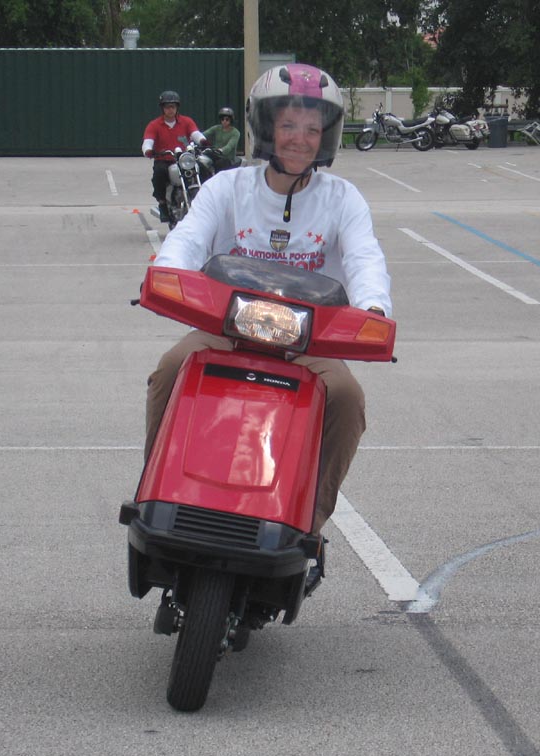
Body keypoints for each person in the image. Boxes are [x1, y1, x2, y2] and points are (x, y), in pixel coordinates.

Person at [143, 63, 393, 591]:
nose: (300, 138)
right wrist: (168, 269)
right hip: (227, 326)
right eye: (288, 125)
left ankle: (308, 527)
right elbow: (190, 236)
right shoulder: (228, 187)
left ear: (327, 135)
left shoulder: (342, 198)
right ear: (266, 128)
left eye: (312, 128)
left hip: (308, 338)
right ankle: (156, 498)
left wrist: (373, 307)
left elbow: (364, 256)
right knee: (169, 369)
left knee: (347, 397)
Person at [141, 90, 208, 222]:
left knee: (203, 168)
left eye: (173, 106)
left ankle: (206, 200)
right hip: (164, 159)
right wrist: (148, 150)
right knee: (159, 173)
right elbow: (148, 141)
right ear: (162, 108)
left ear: (177, 107)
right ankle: (162, 204)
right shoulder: (154, 125)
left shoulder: (186, 121)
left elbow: (195, 133)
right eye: (167, 107)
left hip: (184, 159)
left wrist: (203, 141)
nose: (170, 110)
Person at [201, 107, 242, 171]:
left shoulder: (235, 133)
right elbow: (205, 133)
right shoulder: (216, 128)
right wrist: (196, 136)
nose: (224, 121)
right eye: (222, 119)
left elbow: (230, 146)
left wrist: (222, 150)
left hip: (227, 158)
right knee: (202, 160)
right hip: (215, 154)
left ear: (231, 120)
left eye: (227, 119)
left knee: (219, 164)